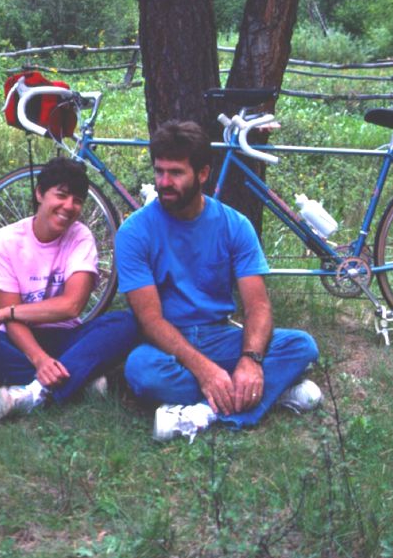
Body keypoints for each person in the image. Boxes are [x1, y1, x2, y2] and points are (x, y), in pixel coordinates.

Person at [115, 120, 321, 442]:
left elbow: (258, 306)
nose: (164, 182)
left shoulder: (235, 225)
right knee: (141, 370)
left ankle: (204, 413)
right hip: (169, 343)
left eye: (176, 173)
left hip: (220, 337)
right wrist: (205, 371)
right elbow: (150, 320)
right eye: (159, 172)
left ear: (203, 174)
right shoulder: (134, 232)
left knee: (300, 345)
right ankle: (267, 393)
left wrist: (251, 361)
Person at [0, 157, 138, 421]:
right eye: (60, 195)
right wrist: (39, 360)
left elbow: (72, 306)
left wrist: (5, 314)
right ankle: (79, 381)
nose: (68, 207)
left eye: (77, 200)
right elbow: (13, 322)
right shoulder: (5, 240)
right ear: (39, 194)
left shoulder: (80, 236)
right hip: (17, 340)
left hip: (65, 338)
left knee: (127, 323)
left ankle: (35, 392)